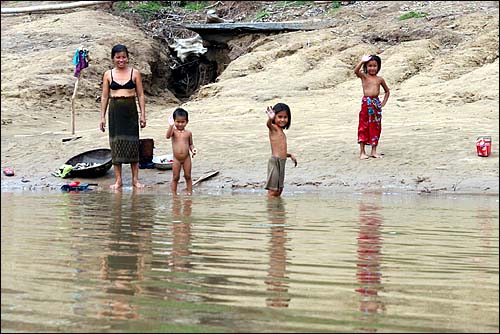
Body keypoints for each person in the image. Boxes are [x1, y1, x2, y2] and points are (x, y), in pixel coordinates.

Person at [100, 44, 146, 189]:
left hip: (130, 110)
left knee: (133, 143)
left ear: (128, 57)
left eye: (124, 57)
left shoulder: (135, 73)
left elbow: (140, 95)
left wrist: (143, 114)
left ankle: (135, 180)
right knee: (116, 144)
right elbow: (105, 96)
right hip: (115, 112)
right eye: (118, 57)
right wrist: (102, 117)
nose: (121, 60)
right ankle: (118, 180)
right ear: (113, 58)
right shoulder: (108, 74)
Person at [354, 54, 390, 160]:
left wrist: (383, 103)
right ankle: (362, 152)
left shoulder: (380, 79)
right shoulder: (364, 77)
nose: (372, 68)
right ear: (366, 67)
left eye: (375, 66)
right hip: (366, 103)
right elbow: (356, 71)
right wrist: (362, 61)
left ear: (378, 67)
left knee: (376, 127)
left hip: (376, 104)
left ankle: (374, 151)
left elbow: (387, 91)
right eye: (369, 65)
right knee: (363, 126)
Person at [265, 103, 297, 197]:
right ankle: (271, 209)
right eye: (279, 117)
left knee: (279, 189)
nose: (282, 119)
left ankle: (277, 210)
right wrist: (270, 118)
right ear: (275, 117)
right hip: (275, 162)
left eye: (285, 117)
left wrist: (290, 155)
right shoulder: (273, 128)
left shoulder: (281, 131)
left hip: (282, 162)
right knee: (273, 190)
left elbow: (281, 151)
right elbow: (268, 124)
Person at [166, 108, 197, 195]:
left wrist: (193, 150)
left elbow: (191, 144)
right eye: (177, 122)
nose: (180, 124)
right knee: (175, 177)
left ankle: (190, 192)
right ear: (174, 121)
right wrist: (171, 126)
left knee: (188, 176)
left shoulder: (188, 133)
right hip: (176, 159)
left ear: (187, 122)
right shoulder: (173, 132)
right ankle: (174, 194)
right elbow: (168, 136)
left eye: (182, 122)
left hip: (186, 158)